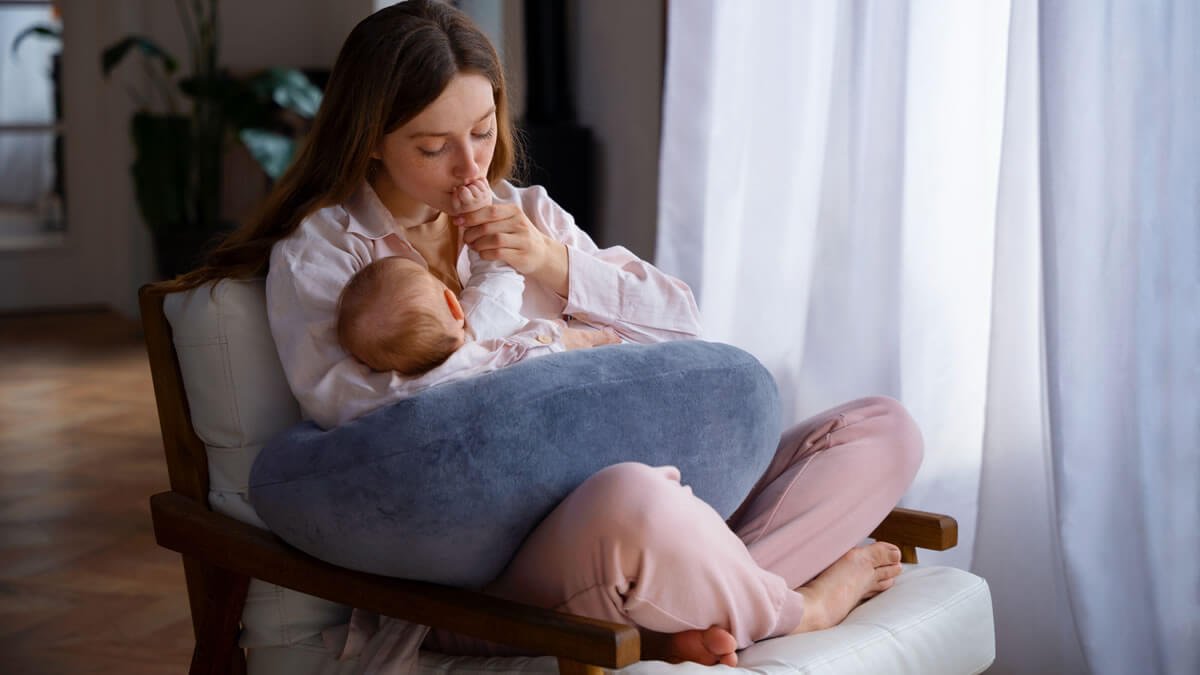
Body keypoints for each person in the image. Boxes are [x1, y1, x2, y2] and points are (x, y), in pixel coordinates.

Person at [168, 0, 922, 668]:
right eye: (433, 147)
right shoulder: (324, 255)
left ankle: (694, 599)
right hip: (496, 569)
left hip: (653, 506)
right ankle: (797, 606)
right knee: (636, 502)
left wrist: (550, 262)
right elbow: (377, 422)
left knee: (881, 430)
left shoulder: (526, 211)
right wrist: (553, 343)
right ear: (369, 140)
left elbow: (684, 328)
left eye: (483, 130)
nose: (470, 165)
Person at [336, 179, 618, 378]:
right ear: (453, 302)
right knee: (605, 344)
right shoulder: (484, 312)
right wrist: (477, 212)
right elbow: (496, 267)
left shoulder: (430, 382)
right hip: (565, 359)